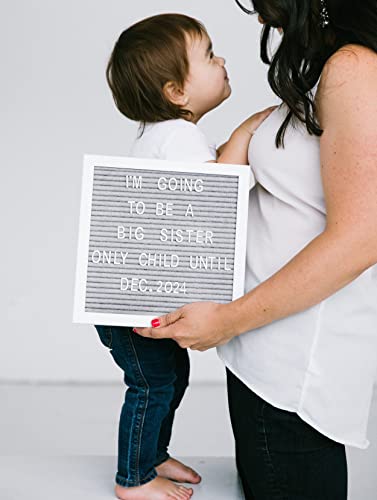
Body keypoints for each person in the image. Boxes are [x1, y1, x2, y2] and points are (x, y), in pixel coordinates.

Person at [134, 1, 377, 499]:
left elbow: (363, 236)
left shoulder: (352, 70)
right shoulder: (323, 67)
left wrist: (227, 320)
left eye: (262, 4)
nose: (261, 18)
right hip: (259, 358)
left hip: (291, 374)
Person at [96, 13, 274, 500]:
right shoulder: (176, 137)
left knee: (170, 379)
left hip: (143, 299)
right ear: (176, 91)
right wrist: (245, 134)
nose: (223, 61)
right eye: (210, 55)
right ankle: (132, 477)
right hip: (134, 308)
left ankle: (151, 453)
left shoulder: (167, 136)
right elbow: (217, 192)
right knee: (152, 386)